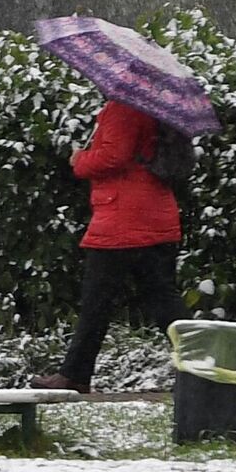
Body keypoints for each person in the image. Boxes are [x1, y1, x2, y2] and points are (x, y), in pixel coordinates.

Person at [31, 99, 185, 395]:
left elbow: (113, 157)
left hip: (122, 217)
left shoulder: (124, 107)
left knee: (96, 301)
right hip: (153, 211)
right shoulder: (157, 108)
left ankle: (73, 375)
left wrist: (81, 160)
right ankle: (205, 364)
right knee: (163, 298)